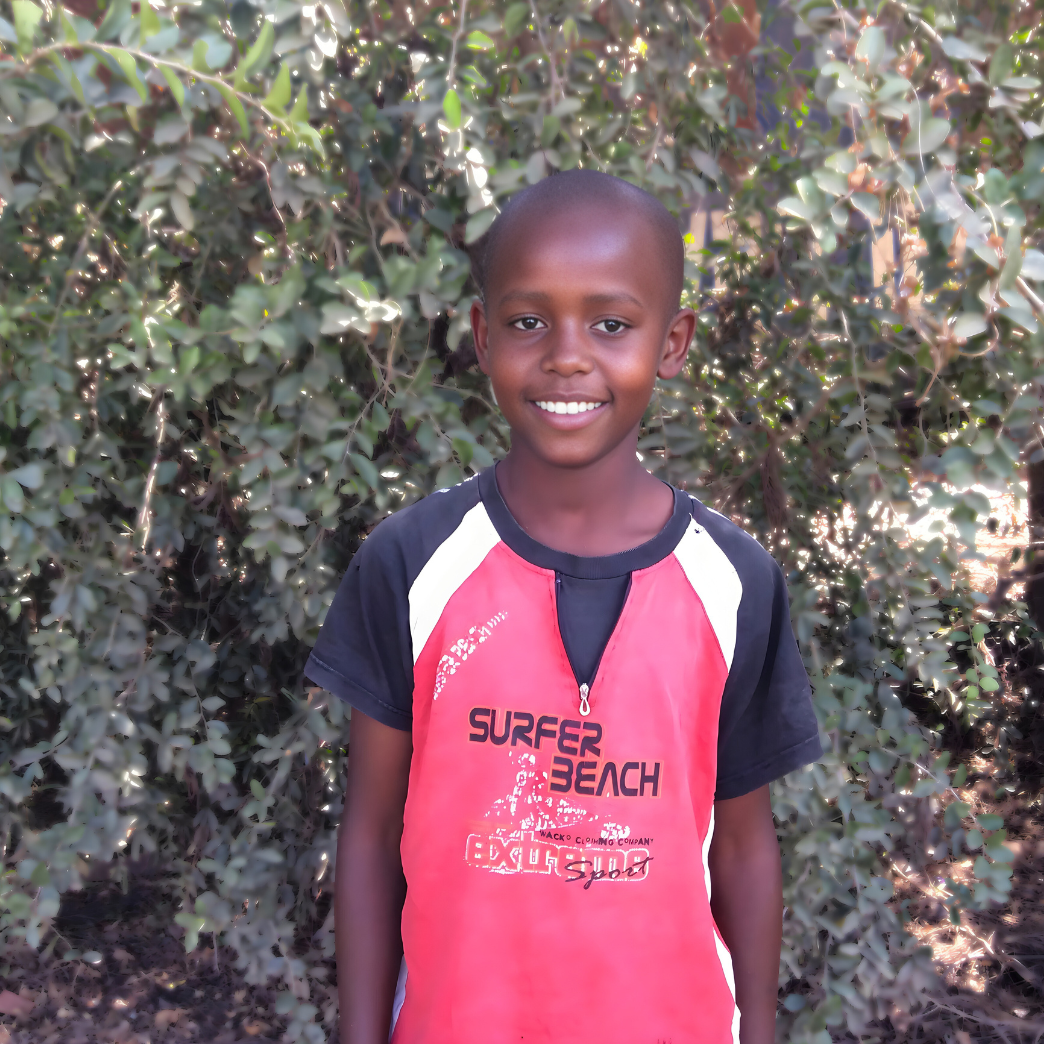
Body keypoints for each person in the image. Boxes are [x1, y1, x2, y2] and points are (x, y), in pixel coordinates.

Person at [305, 170, 822, 1044]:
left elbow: (742, 843)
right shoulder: (412, 564)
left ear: (672, 341)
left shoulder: (733, 581)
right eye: (528, 321)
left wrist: (761, 1028)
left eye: (612, 323)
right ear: (481, 335)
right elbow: (369, 835)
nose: (567, 355)